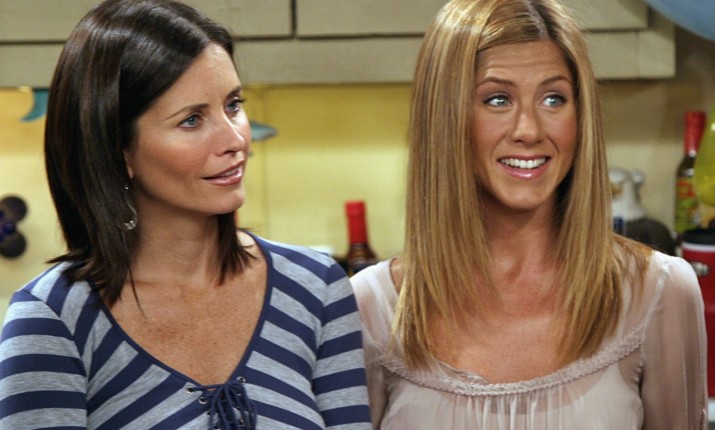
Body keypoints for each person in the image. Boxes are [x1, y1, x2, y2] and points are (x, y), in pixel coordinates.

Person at [0, 1, 372, 429]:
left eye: (233, 105)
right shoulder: (53, 318)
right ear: (118, 150)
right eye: (192, 120)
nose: (235, 140)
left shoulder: (317, 288)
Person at [351, 0, 708, 428]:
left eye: (554, 99)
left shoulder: (660, 292)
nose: (529, 130)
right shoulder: (371, 309)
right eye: (497, 99)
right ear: (445, 118)